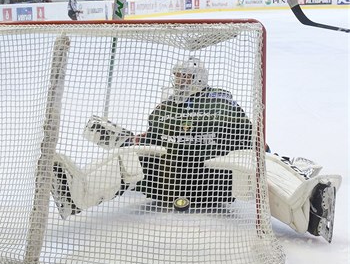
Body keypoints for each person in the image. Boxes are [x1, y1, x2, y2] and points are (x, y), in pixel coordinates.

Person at [50, 57, 341, 242]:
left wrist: (263, 153)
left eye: (186, 78)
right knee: (128, 157)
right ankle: (77, 194)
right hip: (166, 182)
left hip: (212, 181)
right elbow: (152, 138)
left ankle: (309, 213)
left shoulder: (221, 102)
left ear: (200, 78)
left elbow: (249, 136)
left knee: (253, 165)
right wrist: (130, 141)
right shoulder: (163, 108)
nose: (180, 82)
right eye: (177, 77)